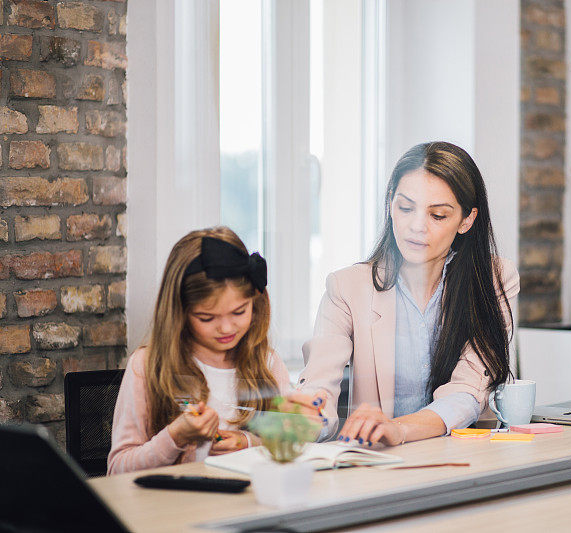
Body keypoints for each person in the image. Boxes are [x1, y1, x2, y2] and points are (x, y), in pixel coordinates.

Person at [299, 141, 519, 446]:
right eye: (405, 208)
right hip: (381, 465)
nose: (417, 226)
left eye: (438, 215)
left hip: (466, 460)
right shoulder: (346, 287)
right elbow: (319, 383)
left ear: (466, 220)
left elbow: (468, 392)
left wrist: (398, 429)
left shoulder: (493, 279)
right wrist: (311, 413)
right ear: (390, 204)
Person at [108, 227, 325, 474]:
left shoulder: (267, 363)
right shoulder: (147, 367)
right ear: (179, 312)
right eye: (207, 317)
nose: (225, 328)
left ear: (256, 300)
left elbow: (291, 442)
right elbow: (117, 471)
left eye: (239, 312)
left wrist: (249, 441)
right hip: (174, 510)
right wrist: (175, 436)